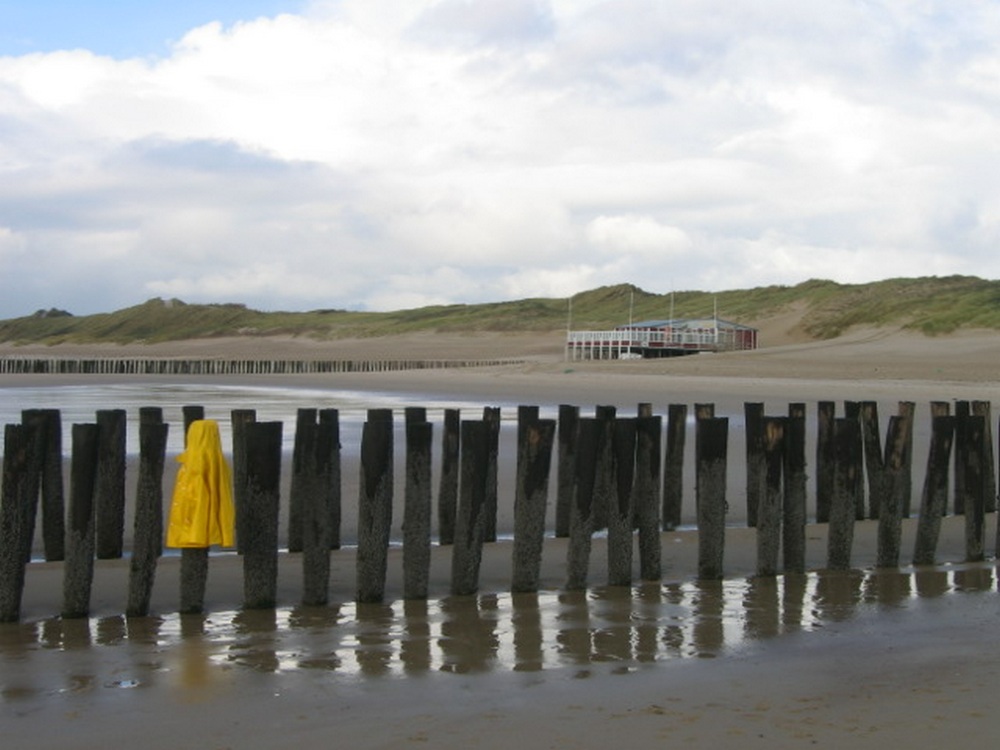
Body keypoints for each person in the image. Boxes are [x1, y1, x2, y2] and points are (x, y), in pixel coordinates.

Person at [166, 419, 235, 548]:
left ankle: (196, 533)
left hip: (192, 525)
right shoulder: (215, 461)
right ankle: (198, 533)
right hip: (196, 524)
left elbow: (197, 497)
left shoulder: (197, 462)